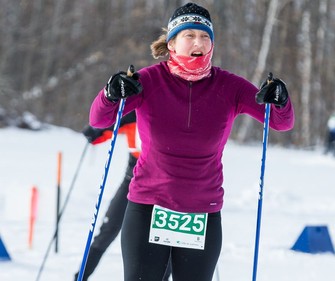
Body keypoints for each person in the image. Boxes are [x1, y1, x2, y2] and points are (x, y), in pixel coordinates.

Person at [89, 2, 295, 281]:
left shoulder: (229, 86)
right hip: (148, 207)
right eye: (189, 35)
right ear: (172, 44)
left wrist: (280, 99)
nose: (198, 42)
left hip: (202, 214)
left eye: (205, 37)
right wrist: (110, 94)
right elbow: (100, 119)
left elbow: (281, 122)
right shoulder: (148, 81)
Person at [74, 111, 171, 281]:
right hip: (133, 182)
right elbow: (101, 132)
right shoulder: (133, 115)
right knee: (108, 230)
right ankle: (80, 277)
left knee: (167, 239)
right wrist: (95, 129)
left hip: (167, 186)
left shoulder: (170, 112)